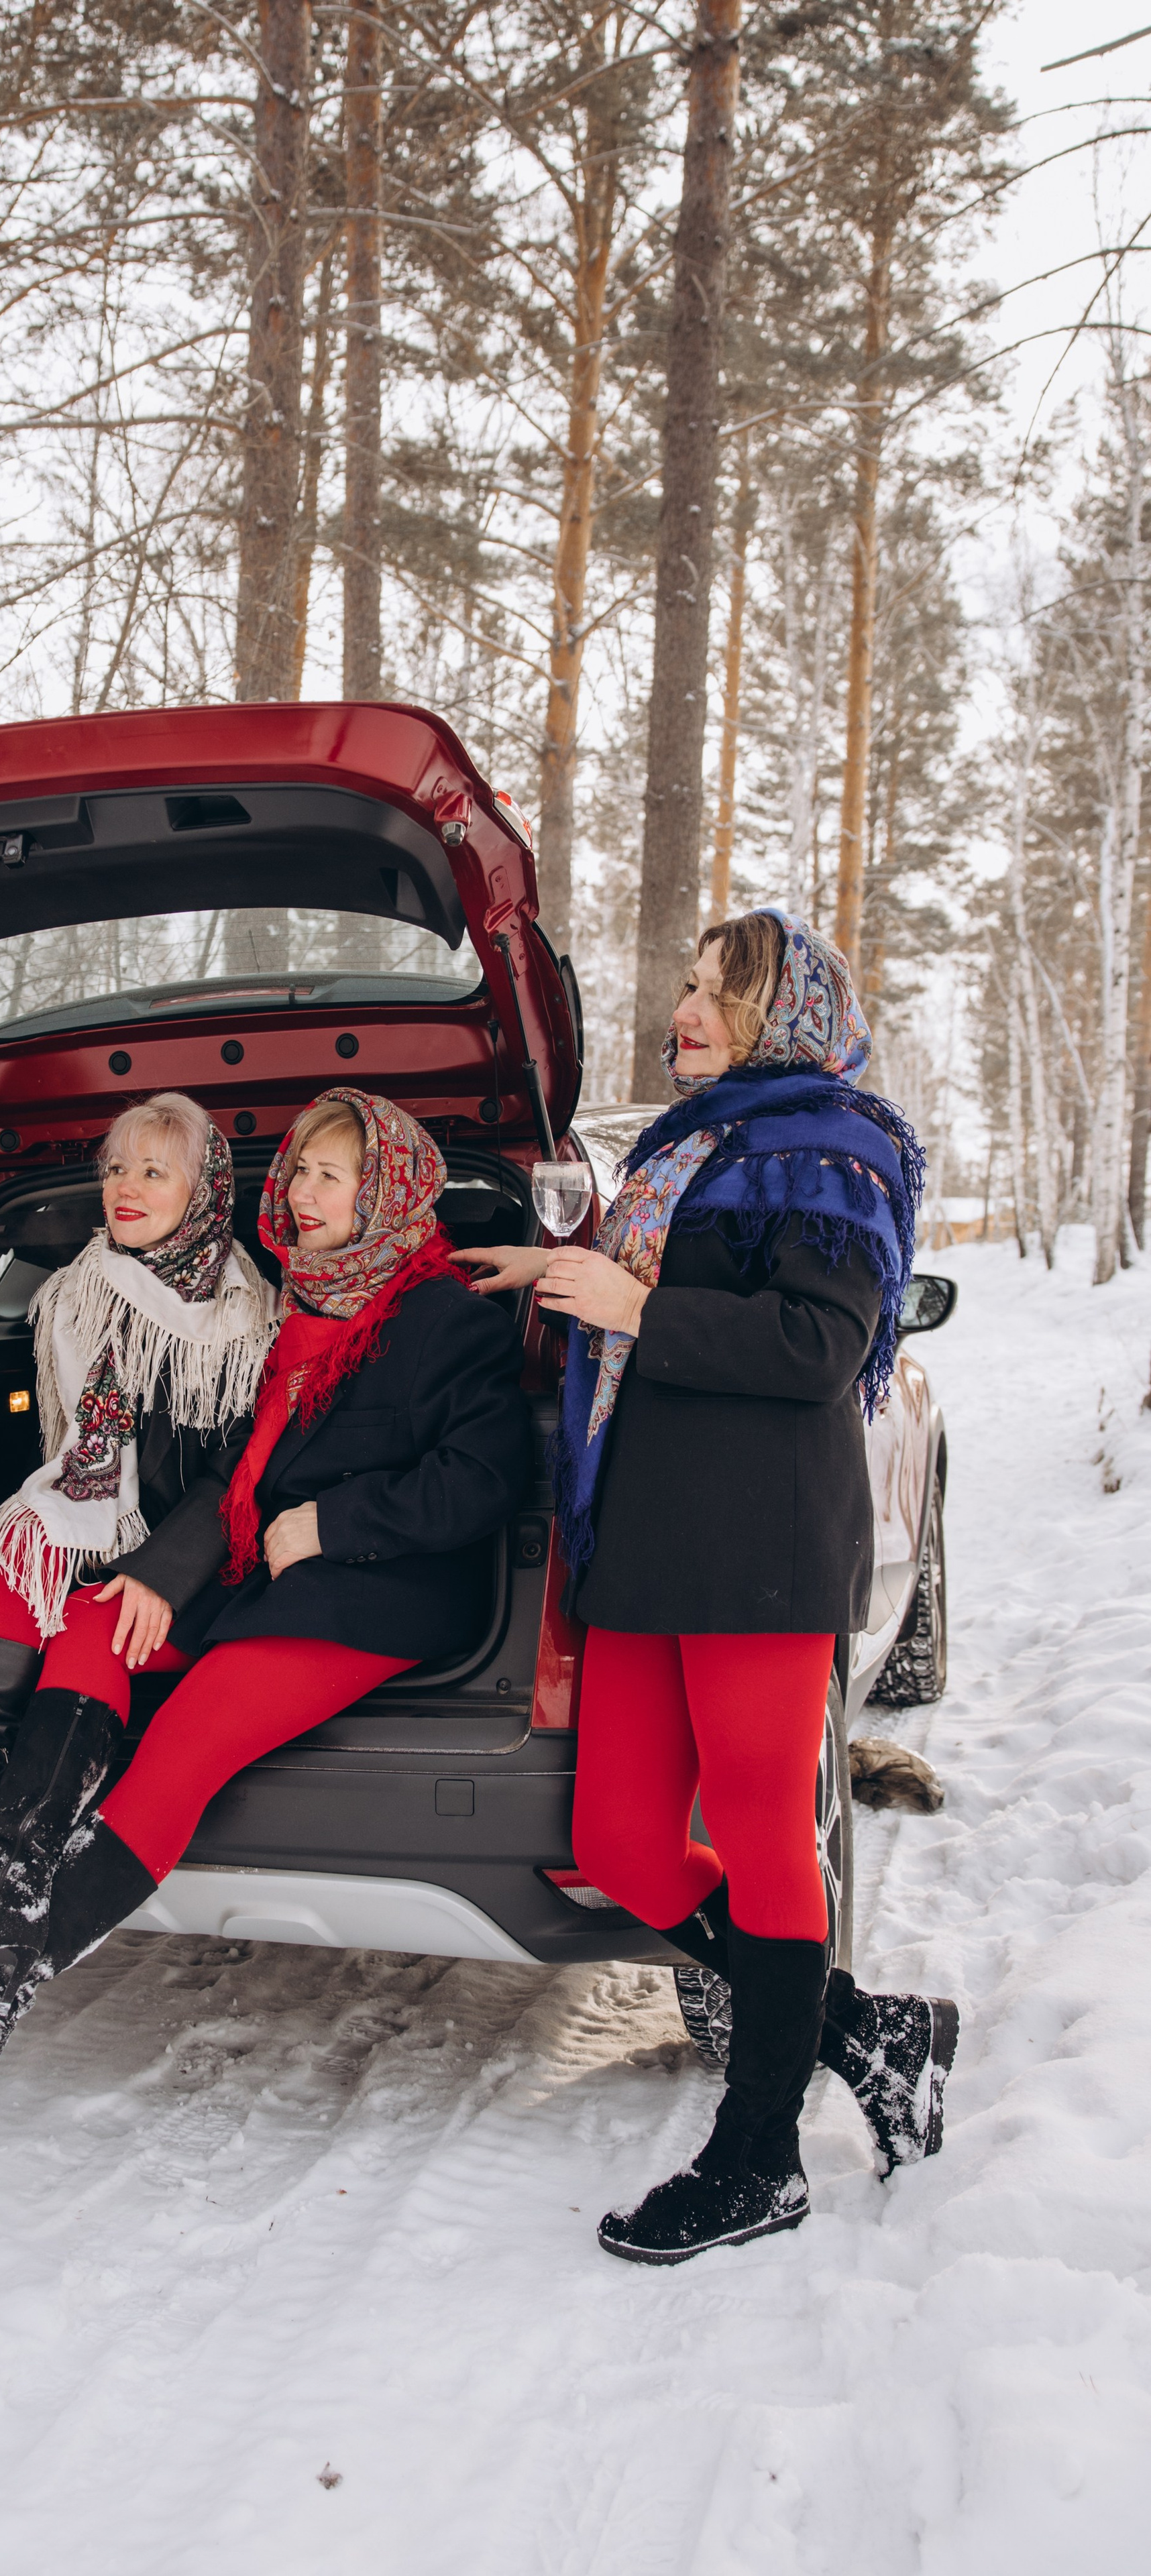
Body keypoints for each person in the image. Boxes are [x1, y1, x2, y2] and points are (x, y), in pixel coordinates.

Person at [0, 1088, 533, 2101]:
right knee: (96, 1625)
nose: (305, 1190)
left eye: (335, 1174)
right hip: (264, 1579)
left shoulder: (444, 1318)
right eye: (302, 1172)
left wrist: (331, 1524)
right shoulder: (297, 1309)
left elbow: (485, 1479)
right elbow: (234, 1469)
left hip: (373, 1596)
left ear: (390, 1191)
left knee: (186, 1737)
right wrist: (159, 1573)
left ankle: (0, 1984)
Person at [460, 909, 958, 2264]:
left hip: (758, 1534)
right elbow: (649, 1278)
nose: (685, 1007)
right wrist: (557, 1277)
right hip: (646, 1531)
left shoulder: (834, 1149)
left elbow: (815, 1344)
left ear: (783, 1012)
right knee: (622, 1841)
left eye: (718, 991)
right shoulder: (694, 1141)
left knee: (756, 1838)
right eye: (683, 983)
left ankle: (759, 2158)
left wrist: (632, 1314)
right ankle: (863, 2028)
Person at [0, 1090, 276, 1935]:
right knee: (16, 1560)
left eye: (155, 1171)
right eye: (117, 1166)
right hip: (88, 1535)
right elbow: (48, 1447)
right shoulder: (76, 1291)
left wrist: (155, 1573)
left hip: (195, 1570)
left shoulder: (249, 1319)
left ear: (202, 1190)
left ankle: (1, 1868)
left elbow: (237, 1478)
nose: (125, 1186)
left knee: (84, 1612)